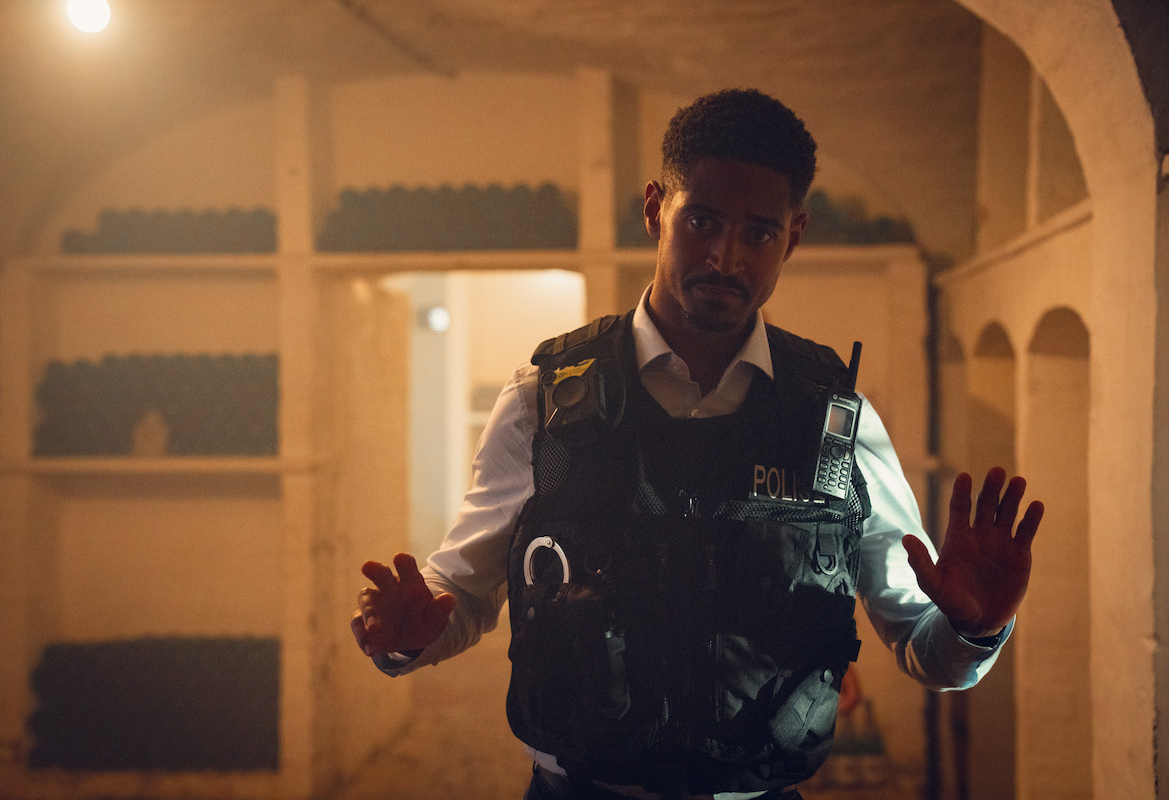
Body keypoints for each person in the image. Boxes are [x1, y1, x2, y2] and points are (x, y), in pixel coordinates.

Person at [351, 88, 1044, 800]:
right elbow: (460, 594)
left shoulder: (834, 420)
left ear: (794, 236)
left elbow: (922, 644)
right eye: (702, 221)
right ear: (656, 209)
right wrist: (409, 635)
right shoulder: (544, 402)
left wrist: (972, 630)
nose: (725, 256)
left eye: (759, 233)